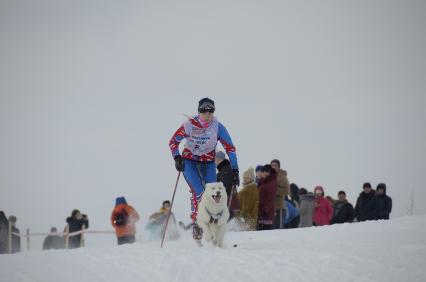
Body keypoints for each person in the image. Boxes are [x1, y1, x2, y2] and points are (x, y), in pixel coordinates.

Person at [169, 98, 239, 242]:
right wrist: (177, 158)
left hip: (208, 163)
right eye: (204, 111)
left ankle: (213, 227)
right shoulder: (189, 125)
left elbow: (230, 148)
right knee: (200, 193)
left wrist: (235, 169)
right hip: (189, 162)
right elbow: (173, 142)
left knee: (213, 195)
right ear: (199, 111)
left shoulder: (218, 127)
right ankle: (197, 223)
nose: (207, 115)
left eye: (210, 111)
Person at [215, 151, 240, 219]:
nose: (214, 162)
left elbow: (223, 188)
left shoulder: (226, 169)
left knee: (228, 226)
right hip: (228, 204)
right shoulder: (223, 170)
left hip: (228, 204)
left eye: (215, 159)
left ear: (220, 159)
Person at [270, 159, 290, 229]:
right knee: (270, 230)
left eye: (275, 165)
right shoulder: (268, 176)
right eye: (272, 165)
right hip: (270, 208)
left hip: (279, 207)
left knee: (278, 230)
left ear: (278, 167)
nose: (273, 167)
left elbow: (287, 190)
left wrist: (274, 191)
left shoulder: (282, 177)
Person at [257, 165, 277, 230]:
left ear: (266, 172)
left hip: (266, 213)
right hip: (261, 211)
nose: (260, 173)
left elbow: (270, 199)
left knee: (265, 234)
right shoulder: (265, 181)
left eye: (262, 172)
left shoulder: (270, 182)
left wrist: (265, 210)